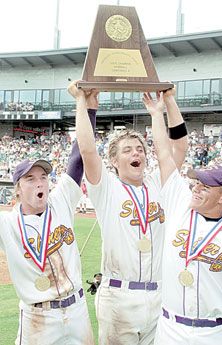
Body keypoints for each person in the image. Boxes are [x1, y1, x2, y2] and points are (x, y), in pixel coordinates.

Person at [68, 81, 188, 345]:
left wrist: (167, 104)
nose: (137, 154)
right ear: (113, 160)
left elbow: (179, 148)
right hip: (119, 298)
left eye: (140, 150)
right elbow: (87, 151)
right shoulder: (107, 188)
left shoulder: (159, 183)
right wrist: (82, 103)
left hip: (159, 294)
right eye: (127, 150)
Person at [143, 91, 222, 345]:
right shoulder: (180, 206)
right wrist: (160, 110)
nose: (196, 188)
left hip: (212, 333)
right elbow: (165, 154)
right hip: (170, 328)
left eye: (205, 186)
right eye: (197, 182)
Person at [0, 96, 98, 344]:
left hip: (76, 310)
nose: (40, 182)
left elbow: (78, 158)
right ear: (18, 190)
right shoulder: (8, 224)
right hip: (37, 317)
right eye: (30, 179)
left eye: (43, 176)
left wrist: (89, 107)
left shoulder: (61, 200)